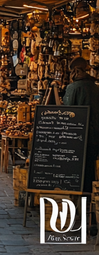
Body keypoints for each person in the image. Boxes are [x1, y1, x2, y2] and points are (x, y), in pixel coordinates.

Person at [63, 56, 99, 194]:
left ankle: (80, 196)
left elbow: (68, 110)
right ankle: (90, 195)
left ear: (76, 71)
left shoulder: (73, 88)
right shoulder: (95, 88)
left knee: (78, 168)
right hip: (95, 134)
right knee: (90, 167)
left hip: (78, 135)